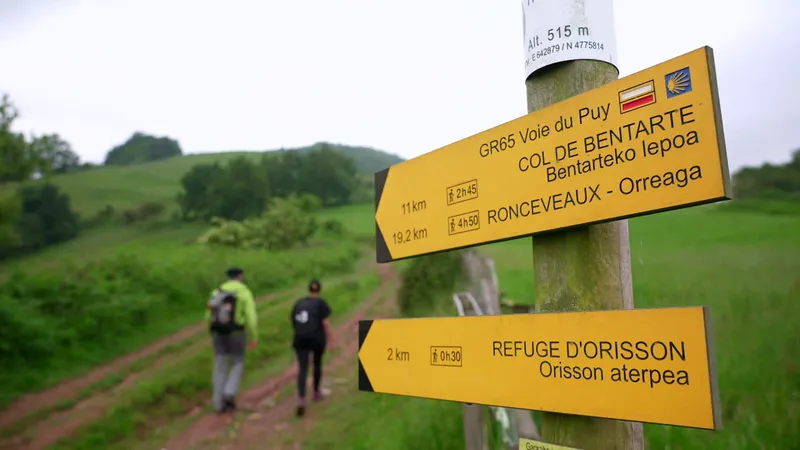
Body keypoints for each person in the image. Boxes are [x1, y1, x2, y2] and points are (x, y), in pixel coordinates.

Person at [205, 267, 258, 414]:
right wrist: (253, 336)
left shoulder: (217, 292)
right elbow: (251, 318)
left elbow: (208, 314)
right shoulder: (243, 292)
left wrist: (211, 331)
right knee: (237, 362)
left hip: (218, 332)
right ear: (240, 277)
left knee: (220, 365)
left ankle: (218, 403)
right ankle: (229, 392)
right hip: (236, 333)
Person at [290, 279, 334, 417]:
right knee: (317, 364)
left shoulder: (299, 303)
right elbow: (325, 323)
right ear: (319, 291)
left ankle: (302, 398)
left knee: (302, 368)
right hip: (316, 338)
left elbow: (294, 321)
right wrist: (331, 339)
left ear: (308, 290)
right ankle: (316, 392)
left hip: (300, 338)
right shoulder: (321, 303)